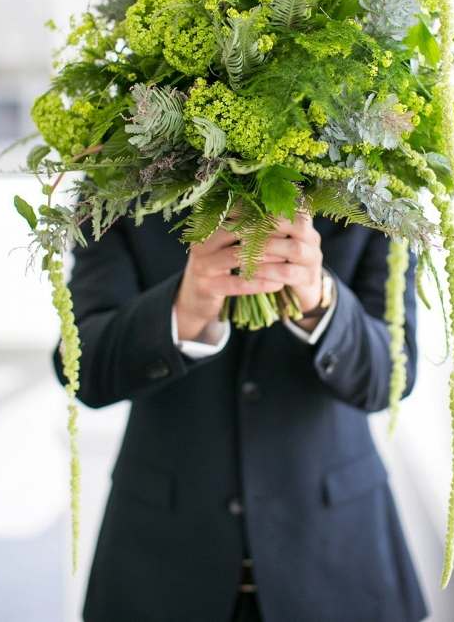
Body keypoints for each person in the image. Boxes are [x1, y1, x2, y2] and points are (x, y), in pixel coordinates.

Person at [54, 208, 428, 622]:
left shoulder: (380, 182)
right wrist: (185, 309)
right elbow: (82, 367)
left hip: (337, 559)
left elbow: (392, 375)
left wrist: (319, 300)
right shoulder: (114, 170)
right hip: (162, 566)